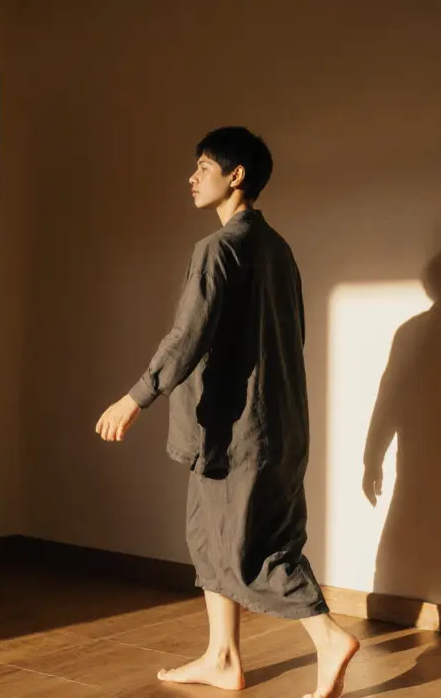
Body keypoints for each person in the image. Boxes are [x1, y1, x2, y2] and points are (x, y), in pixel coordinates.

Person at [95, 127, 359, 697]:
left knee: (251, 547)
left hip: (234, 428)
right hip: (272, 423)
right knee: (210, 539)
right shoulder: (277, 249)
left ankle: (328, 636)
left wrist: (135, 396)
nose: (191, 178)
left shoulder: (218, 249)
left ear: (235, 176)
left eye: (203, 167)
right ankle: (222, 657)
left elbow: (188, 335)